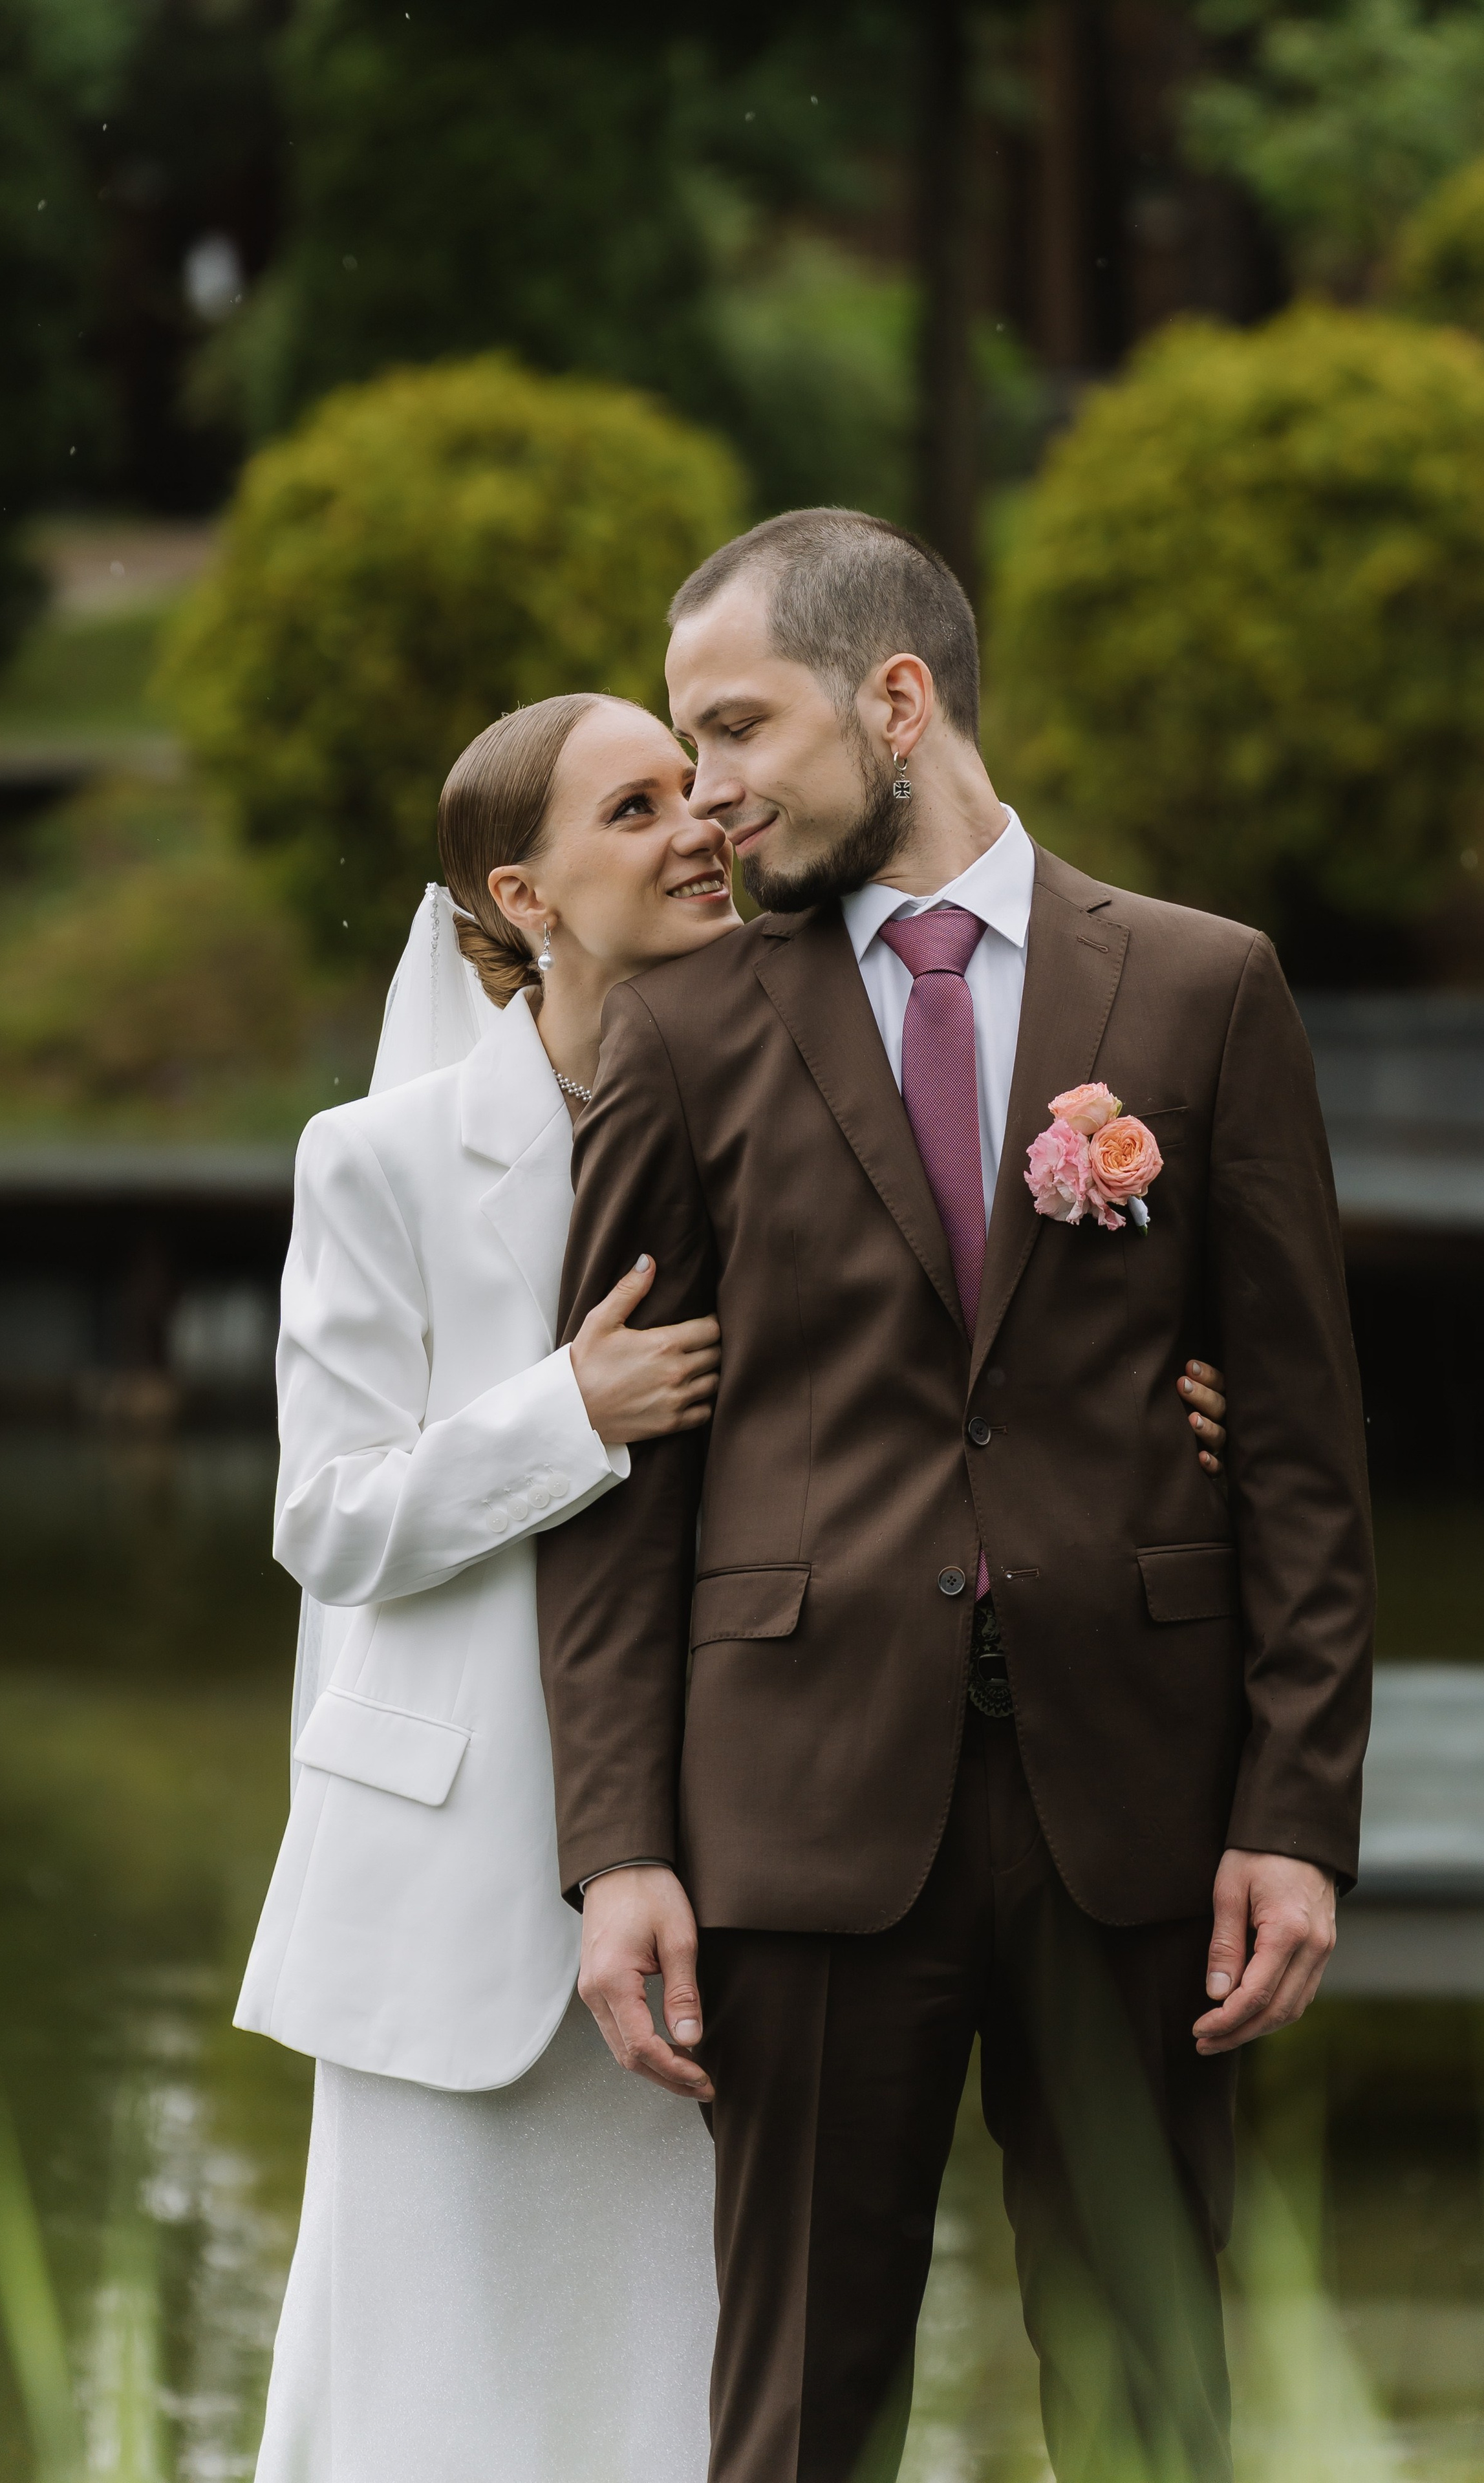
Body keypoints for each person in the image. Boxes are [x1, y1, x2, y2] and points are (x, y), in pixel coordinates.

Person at [237, 683, 1230, 2482]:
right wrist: (571, 1411)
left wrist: (1140, 1412)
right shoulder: (373, 1162)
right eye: (632, 812)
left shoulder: (787, 1064)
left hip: (738, 1847)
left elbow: (930, 1369)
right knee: (431, 2390)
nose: (698, 823)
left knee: (679, 2401)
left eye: (691, 790)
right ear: (523, 897)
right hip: (458, 1875)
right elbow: (328, 1521)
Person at [535, 511, 1373, 2483]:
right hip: (801, 1819)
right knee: (803, 2417)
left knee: (1155, 2404)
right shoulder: (684, 1032)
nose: (707, 793)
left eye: (737, 729)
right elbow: (618, 1491)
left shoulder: (1202, 989)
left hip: (1142, 1817)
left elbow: (1311, 1459)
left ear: (896, 701)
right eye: (682, 740)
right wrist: (622, 1849)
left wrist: (1294, 1812)